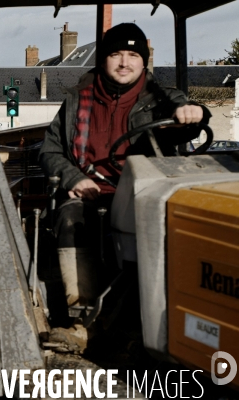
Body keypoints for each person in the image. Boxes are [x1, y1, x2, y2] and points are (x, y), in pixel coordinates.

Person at [39, 23, 209, 334]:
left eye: (132, 55)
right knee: (70, 218)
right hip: (91, 194)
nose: (124, 62)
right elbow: (50, 152)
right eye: (116, 54)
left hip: (142, 194)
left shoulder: (163, 99)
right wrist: (73, 178)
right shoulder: (78, 100)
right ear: (103, 60)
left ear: (144, 61)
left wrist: (193, 113)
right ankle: (83, 316)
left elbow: (188, 120)